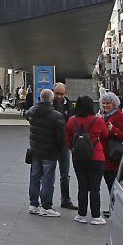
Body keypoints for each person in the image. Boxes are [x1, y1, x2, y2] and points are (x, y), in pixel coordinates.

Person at [66, 95, 109, 225]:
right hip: (97, 157)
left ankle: (82, 215)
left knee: (82, 186)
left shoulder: (71, 121)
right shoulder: (98, 121)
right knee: (95, 188)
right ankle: (96, 216)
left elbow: (68, 141)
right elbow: (106, 135)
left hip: (79, 158)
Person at [25, 88, 65, 217]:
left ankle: (33, 204)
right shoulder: (56, 116)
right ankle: (46, 206)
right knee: (48, 179)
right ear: (51, 99)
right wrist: (60, 149)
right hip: (50, 151)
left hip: (35, 150)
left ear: (40, 98)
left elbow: (27, 114)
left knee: (35, 177)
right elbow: (61, 137)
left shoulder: (32, 112)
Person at [99, 92, 123, 217]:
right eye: (103, 103)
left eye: (108, 103)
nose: (105, 105)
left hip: (114, 156)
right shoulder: (103, 116)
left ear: (114, 104)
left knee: (114, 184)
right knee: (109, 184)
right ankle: (113, 209)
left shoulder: (121, 117)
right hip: (105, 155)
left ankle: (116, 211)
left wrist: (113, 130)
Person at [52, 82, 77, 210]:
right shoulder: (48, 104)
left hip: (64, 144)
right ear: (53, 92)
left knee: (65, 174)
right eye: (57, 93)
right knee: (48, 173)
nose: (59, 96)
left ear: (65, 93)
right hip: (50, 143)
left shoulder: (70, 105)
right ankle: (45, 201)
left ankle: (65, 199)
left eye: (62, 94)